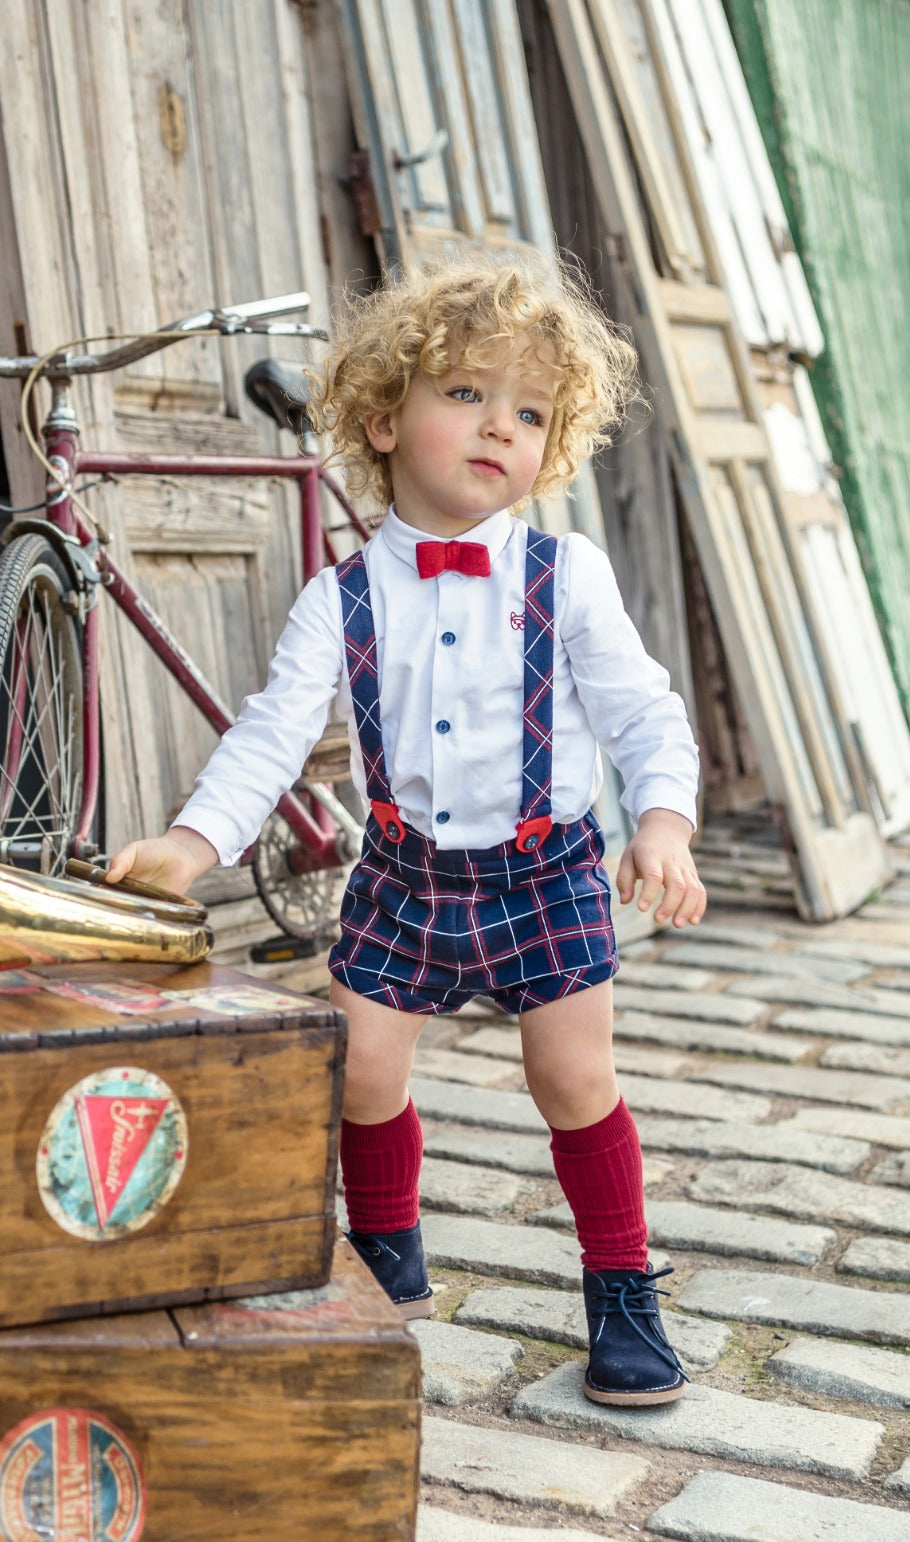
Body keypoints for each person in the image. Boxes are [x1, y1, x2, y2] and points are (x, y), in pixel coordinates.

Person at [107, 249, 706, 1407]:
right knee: (362, 1067)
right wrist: (191, 845)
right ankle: (390, 1256)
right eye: (466, 394)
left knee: (574, 1078)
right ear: (383, 419)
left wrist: (664, 825)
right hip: (402, 876)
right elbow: (271, 734)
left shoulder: (567, 574)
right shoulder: (341, 596)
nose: (499, 428)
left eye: (528, 412)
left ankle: (622, 1283)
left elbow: (645, 715)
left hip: (545, 877)